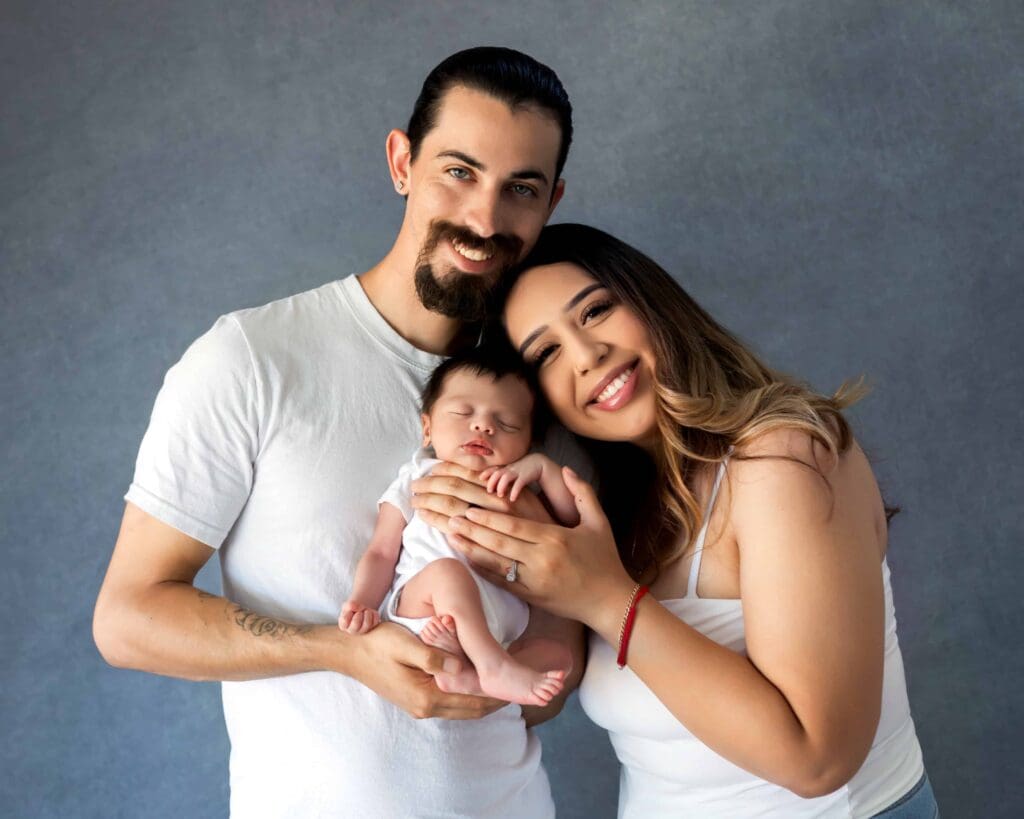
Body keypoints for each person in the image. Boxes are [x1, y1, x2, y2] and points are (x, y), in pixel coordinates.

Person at [92, 48, 584, 818]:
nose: (485, 220)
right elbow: (127, 619)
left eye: (519, 189)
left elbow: (562, 645)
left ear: (550, 201)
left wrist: (507, 673)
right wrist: (344, 650)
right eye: (459, 171)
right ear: (401, 161)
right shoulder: (253, 358)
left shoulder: (552, 384)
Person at [411, 223, 939, 817]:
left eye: (595, 312)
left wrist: (606, 599)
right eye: (547, 353)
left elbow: (817, 759)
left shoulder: (781, 457)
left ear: (650, 300)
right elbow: (541, 693)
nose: (586, 357)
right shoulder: (615, 507)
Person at [339, 346, 576, 706]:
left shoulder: (520, 489)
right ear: (427, 428)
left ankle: (471, 675)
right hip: (425, 607)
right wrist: (362, 602)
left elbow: (571, 523)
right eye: (463, 413)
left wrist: (543, 468)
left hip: (501, 632)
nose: (483, 426)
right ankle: (489, 666)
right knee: (448, 573)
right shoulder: (417, 477)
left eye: (507, 423)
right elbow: (381, 550)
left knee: (559, 656)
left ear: (528, 442)